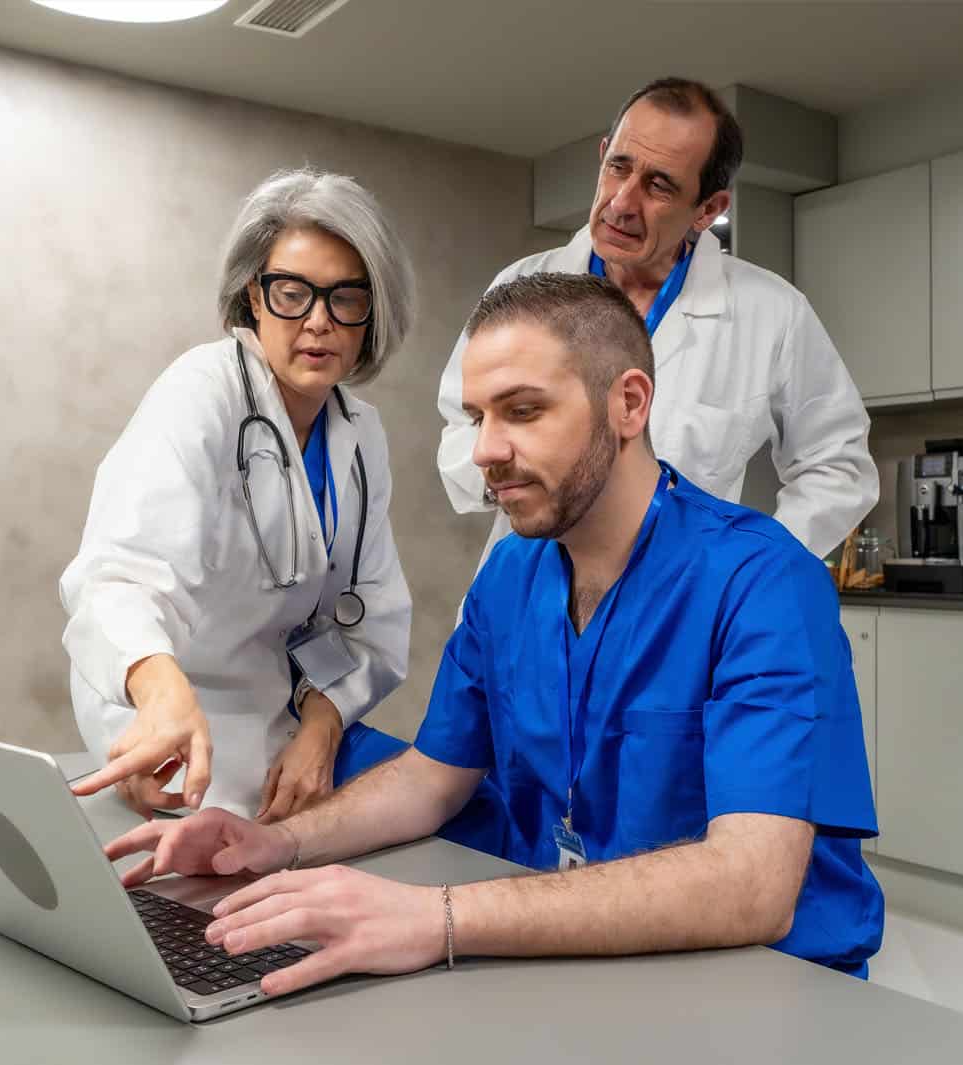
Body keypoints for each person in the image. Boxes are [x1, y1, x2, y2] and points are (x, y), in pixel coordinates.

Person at [102, 273, 884, 996]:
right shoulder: (511, 576)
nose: (484, 451)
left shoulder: (763, 582)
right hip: (582, 960)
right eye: (478, 417)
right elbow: (430, 779)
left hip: (759, 986)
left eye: (522, 410)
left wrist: (436, 917)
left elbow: (751, 883)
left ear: (629, 403)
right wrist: (280, 842)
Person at [60, 168, 416, 823]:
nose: (318, 321)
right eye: (291, 293)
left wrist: (323, 724)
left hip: (284, 711)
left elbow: (369, 622)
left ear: (372, 312)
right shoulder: (201, 392)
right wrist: (160, 694)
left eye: (345, 298)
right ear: (253, 298)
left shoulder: (360, 435)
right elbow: (119, 577)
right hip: (166, 716)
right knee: (215, 886)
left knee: (461, 812)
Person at [437, 76, 878, 563]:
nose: (623, 203)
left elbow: (838, 466)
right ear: (603, 154)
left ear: (708, 209)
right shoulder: (523, 286)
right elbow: (461, 425)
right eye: (618, 167)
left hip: (679, 596)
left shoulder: (771, 312)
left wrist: (752, 568)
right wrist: (520, 479)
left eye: (659, 186)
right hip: (527, 583)